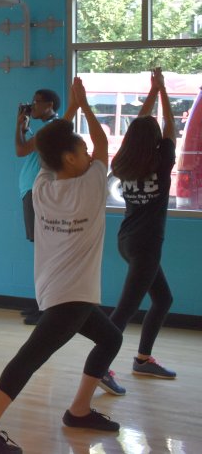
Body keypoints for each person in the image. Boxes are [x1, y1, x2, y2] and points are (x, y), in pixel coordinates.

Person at [0, 78, 123, 453]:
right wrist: (83, 106)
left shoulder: (41, 186)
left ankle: (79, 410)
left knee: (111, 338)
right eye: (81, 149)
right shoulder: (91, 188)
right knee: (31, 357)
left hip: (59, 291)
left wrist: (73, 112)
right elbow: (103, 145)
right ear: (70, 158)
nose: (89, 152)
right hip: (72, 298)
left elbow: (73, 149)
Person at [100, 68, 177, 397]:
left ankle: (143, 359)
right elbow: (170, 128)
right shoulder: (161, 164)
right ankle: (99, 367)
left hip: (127, 240)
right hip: (146, 246)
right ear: (156, 142)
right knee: (124, 311)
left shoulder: (123, 162)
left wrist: (153, 93)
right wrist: (162, 91)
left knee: (163, 298)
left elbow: (143, 127)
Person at [14, 89, 60, 326]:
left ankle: (47, 308)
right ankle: (42, 304)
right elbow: (28, 148)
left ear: (49, 104)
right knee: (41, 250)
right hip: (31, 190)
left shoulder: (53, 126)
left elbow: (20, 150)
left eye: (36, 102)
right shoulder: (46, 128)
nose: (32, 106)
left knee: (45, 251)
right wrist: (23, 125)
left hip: (37, 192)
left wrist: (17, 125)